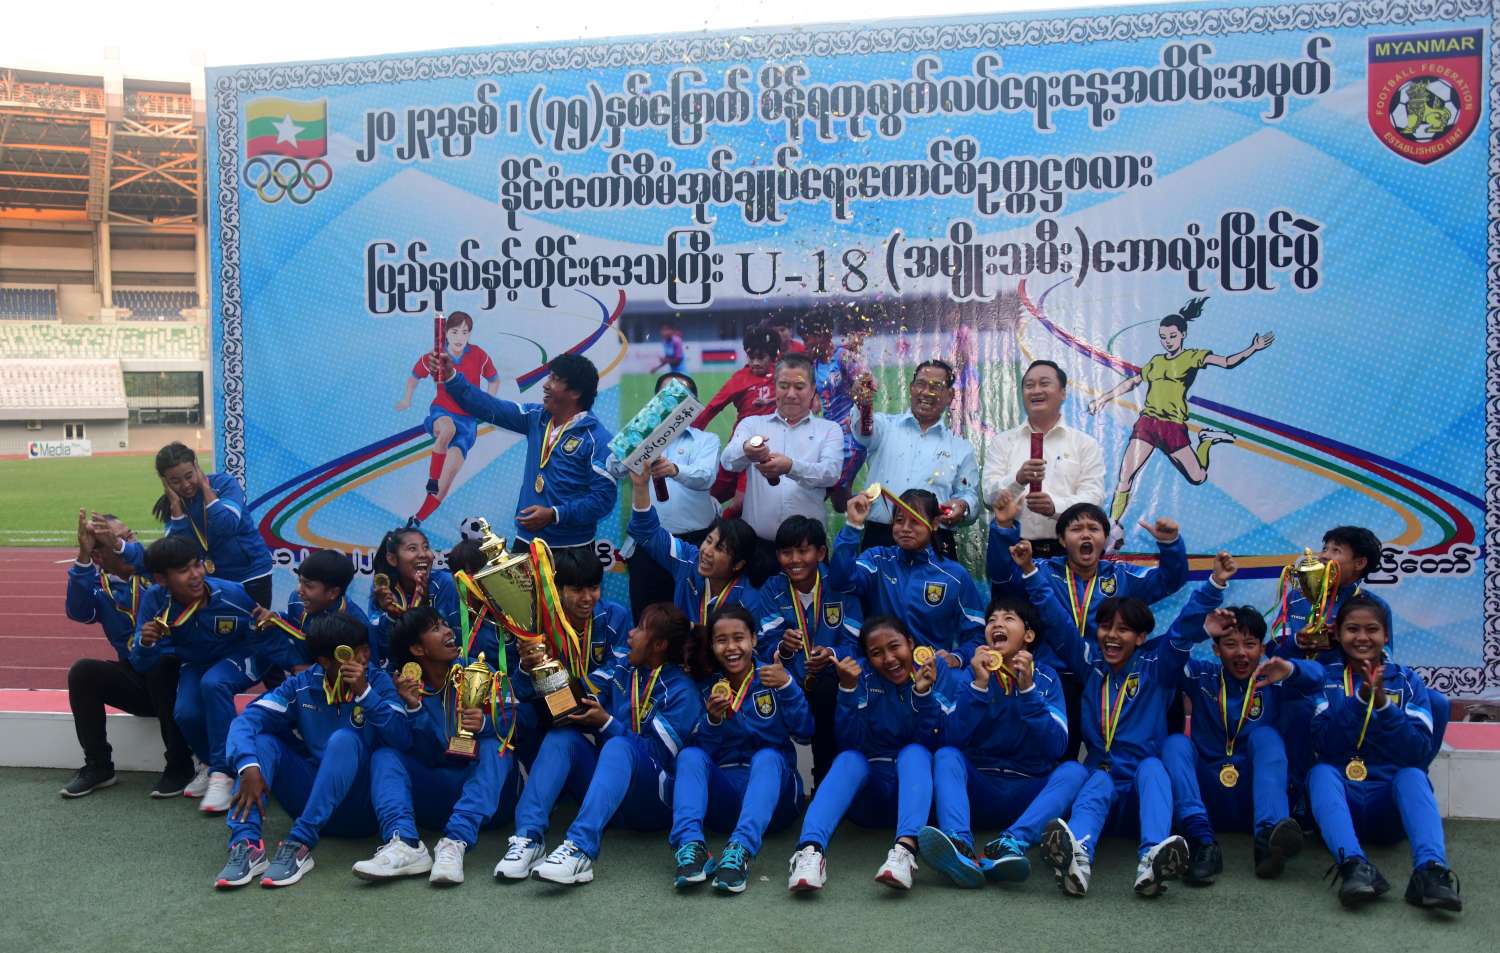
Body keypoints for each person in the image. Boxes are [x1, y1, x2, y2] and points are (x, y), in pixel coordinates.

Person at [1022, 546, 1233, 898]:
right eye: (1105, 627)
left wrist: (1214, 585)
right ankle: (1078, 857)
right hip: (1100, 791)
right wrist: (1030, 572)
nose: (1112, 636)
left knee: (1153, 766)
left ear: (1141, 638)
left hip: (1141, 797)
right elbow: (1057, 621)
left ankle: (1152, 858)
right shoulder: (1091, 665)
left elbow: (1181, 632)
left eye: (1123, 630)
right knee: (1095, 778)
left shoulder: (1157, 668)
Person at [493, 603, 701, 885]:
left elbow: (658, 756)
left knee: (618, 746)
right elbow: (573, 695)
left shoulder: (682, 692)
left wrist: (607, 723)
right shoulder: (624, 667)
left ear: (659, 645)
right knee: (562, 737)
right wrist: (535, 668)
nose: (630, 634)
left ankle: (580, 848)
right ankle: (529, 838)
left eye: (640, 629)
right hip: (610, 795)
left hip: (652, 804)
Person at [213, 613, 409, 889]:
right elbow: (246, 721)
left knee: (344, 740)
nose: (364, 658)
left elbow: (402, 739)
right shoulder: (301, 685)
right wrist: (247, 766)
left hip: (360, 808)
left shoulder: (378, 682)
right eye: (351, 653)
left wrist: (365, 693)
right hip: (310, 799)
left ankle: (299, 844)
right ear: (325, 661)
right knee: (262, 743)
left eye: (366, 649)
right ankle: (246, 844)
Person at [987, 495, 1188, 759]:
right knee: (1061, 756)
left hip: (1106, 675)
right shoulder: (1041, 571)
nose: (1086, 535)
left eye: (1094, 529)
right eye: (1076, 529)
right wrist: (1003, 527)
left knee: (1161, 681)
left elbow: (1169, 580)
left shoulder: (1120, 576)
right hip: (1058, 676)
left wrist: (1170, 545)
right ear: (1062, 540)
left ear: (1105, 539)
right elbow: (1002, 578)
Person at [916, 597, 1090, 888]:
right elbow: (953, 737)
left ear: (1029, 635)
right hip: (980, 790)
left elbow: (1057, 746)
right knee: (946, 755)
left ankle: (1011, 843)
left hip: (1029, 796)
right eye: (991, 620)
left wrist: (1028, 690)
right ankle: (960, 845)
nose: (997, 624)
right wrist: (979, 686)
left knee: (1074, 771)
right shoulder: (973, 674)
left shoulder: (1046, 678)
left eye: (1008, 618)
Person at [1310, 595, 1461, 912]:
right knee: (1321, 773)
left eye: (1372, 629)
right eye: (1352, 629)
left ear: (1386, 635)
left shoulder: (1407, 682)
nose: (1362, 637)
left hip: (1389, 807)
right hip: (1344, 803)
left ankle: (1430, 872)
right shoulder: (1325, 678)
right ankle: (1354, 866)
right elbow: (1325, 746)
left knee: (1413, 775)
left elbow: (1416, 752)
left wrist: (1383, 706)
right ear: (1337, 633)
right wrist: (1358, 701)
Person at [1086, 298, 1274, 551]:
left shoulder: (1192, 357)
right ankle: (1113, 525)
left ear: (1183, 334)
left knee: (1198, 477)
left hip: (1173, 427)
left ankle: (1206, 441)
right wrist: (1103, 399)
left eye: (1172, 336)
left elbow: (1227, 362)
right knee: (1125, 476)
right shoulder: (1156, 361)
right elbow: (1132, 383)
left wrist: (1252, 348)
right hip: (1148, 423)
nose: (1168, 341)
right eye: (1163, 337)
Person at [129, 536, 296, 815]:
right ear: (161, 579)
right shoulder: (155, 602)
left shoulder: (231, 594)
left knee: (214, 683)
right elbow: (141, 663)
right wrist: (146, 643)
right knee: (185, 713)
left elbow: (264, 631)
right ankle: (209, 763)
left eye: (197, 565)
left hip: (246, 654)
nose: (196, 575)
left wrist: (294, 667)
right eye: (183, 571)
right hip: (198, 662)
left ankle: (224, 773)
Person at [355, 607, 518, 886]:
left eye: (445, 624)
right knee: (386, 755)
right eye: (436, 629)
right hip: (436, 796)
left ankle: (455, 842)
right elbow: (425, 753)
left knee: (497, 747)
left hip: (488, 802)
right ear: (417, 649)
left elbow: (518, 721)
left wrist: (485, 724)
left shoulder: (479, 670)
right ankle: (404, 843)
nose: (448, 631)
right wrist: (414, 708)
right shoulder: (404, 686)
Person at [786, 616, 949, 892]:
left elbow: (934, 742)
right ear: (867, 658)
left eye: (895, 646)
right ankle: (810, 851)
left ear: (910, 643)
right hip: (868, 801)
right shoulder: (860, 676)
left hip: (914, 799)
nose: (889, 659)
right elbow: (851, 741)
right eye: (876, 653)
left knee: (915, 753)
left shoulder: (933, 668)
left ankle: (905, 852)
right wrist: (847, 690)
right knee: (849, 759)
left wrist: (924, 697)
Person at [1161, 605, 1320, 885]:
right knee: (1175, 744)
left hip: (1253, 798)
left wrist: (1292, 670)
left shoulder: (1272, 679)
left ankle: (1268, 839)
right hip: (1207, 796)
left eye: (1250, 644)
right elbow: (1166, 657)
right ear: (1215, 649)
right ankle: (1201, 843)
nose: (1241, 653)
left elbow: (1319, 677)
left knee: (1266, 737)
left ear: (1262, 649)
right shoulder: (1200, 675)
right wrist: (1198, 629)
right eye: (1231, 644)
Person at [670, 605, 810, 894]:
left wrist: (788, 687)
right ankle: (691, 847)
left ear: (754, 639)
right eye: (721, 640)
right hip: (725, 801)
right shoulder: (706, 687)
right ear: (712, 645)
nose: (731, 647)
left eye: (739, 638)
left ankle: (740, 851)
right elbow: (702, 753)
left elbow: (806, 732)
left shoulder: (774, 676)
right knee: (690, 755)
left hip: (776, 801)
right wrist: (713, 721)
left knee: (768, 756)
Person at [61, 509, 196, 799]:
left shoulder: (157, 575)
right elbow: (77, 611)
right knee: (83, 672)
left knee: (162, 664)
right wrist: (83, 555)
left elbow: (148, 561)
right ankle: (99, 767)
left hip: (181, 679)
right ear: (99, 557)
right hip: (139, 679)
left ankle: (180, 766)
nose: (127, 544)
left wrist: (120, 544)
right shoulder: (100, 588)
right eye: (116, 541)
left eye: (129, 536)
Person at [428, 351, 616, 555]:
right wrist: (451, 377)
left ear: (575, 392)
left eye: (555, 379)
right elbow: (489, 407)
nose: (545, 385)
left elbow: (603, 500)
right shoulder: (535, 417)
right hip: (526, 542)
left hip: (571, 550)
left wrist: (555, 514)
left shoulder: (597, 439)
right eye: (549, 377)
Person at [753, 515, 861, 786]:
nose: (794, 560)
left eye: (803, 551)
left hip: (829, 680)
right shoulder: (772, 589)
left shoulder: (839, 587)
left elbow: (854, 642)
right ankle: (783, 781)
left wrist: (831, 654)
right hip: (789, 678)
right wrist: (784, 647)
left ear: (821, 553)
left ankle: (825, 780)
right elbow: (765, 645)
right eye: (786, 552)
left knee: (827, 691)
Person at [721, 351, 843, 577]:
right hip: (758, 548)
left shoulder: (829, 429)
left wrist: (790, 467)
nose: (791, 394)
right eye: (784, 386)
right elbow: (728, 461)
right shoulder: (752, 424)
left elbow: (831, 473)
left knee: (811, 600)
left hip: (807, 549)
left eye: (799, 386)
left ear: (813, 389)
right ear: (774, 387)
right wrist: (747, 450)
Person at [829, 488, 985, 660]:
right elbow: (841, 581)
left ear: (934, 524)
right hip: (883, 670)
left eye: (915, 521)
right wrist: (853, 526)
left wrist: (956, 658)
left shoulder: (954, 575)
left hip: (932, 672)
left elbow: (977, 637)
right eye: (899, 520)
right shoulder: (877, 560)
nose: (905, 528)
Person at [850, 359, 980, 560]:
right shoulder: (884, 427)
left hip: (935, 541)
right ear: (911, 388)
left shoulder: (960, 447)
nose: (926, 392)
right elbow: (862, 432)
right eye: (921, 384)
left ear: (950, 396)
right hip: (881, 538)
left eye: (936, 387)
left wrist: (962, 507)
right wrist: (863, 404)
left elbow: (969, 495)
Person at [617, 373, 722, 619]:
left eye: (682, 397)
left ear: (694, 405)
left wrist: (675, 469)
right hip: (648, 543)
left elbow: (706, 476)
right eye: (666, 396)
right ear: (655, 402)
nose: (674, 403)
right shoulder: (639, 435)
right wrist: (636, 438)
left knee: (695, 617)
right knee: (648, 618)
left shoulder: (706, 440)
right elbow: (613, 467)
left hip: (695, 544)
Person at [982, 360, 1104, 559]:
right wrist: (1018, 480)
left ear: (1063, 393)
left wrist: (1055, 507)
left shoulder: (1085, 444)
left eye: (1044, 383)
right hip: (1014, 547)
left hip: (1067, 551)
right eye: (1029, 385)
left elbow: (1093, 498)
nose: (1036, 390)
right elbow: (989, 496)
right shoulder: (1002, 442)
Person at [395, 311, 500, 525]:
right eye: (454, 332)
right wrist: (406, 399)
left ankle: (418, 518)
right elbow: (414, 377)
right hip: (442, 413)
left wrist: (488, 404)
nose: (460, 337)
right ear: (445, 333)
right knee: (448, 429)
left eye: (465, 332)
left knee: (448, 477)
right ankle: (432, 478)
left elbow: (494, 379)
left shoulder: (479, 355)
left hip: (468, 423)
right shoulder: (436, 356)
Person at [625, 468, 758, 624]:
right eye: (708, 541)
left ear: (738, 564)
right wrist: (640, 486)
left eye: (720, 549)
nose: (707, 551)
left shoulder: (748, 601)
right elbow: (647, 532)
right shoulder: (689, 560)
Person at [152, 442, 274, 608]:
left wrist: (206, 488)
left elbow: (227, 526)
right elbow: (181, 552)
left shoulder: (225, 484)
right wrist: (176, 510)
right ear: (165, 482)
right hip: (214, 581)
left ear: (196, 467)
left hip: (251, 573)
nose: (185, 485)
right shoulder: (172, 505)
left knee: (255, 623)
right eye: (175, 481)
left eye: (189, 476)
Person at [694, 326, 781, 508]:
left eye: (761, 357)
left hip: (768, 450)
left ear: (773, 356)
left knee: (741, 503)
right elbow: (712, 408)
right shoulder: (739, 379)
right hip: (740, 446)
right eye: (751, 357)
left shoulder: (782, 375)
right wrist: (690, 435)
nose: (755, 362)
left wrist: (773, 400)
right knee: (706, 498)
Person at [250, 549, 366, 666]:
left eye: (308, 586)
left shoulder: (357, 626)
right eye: (300, 581)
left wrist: (315, 672)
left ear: (333, 593)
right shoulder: (297, 600)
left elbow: (367, 671)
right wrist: (275, 619)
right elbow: (293, 625)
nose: (298, 590)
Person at [367, 526, 459, 666]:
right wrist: (391, 617)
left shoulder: (445, 584)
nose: (423, 554)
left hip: (447, 667)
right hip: (403, 670)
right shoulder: (384, 589)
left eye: (426, 547)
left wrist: (424, 607)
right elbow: (382, 650)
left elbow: (456, 638)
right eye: (412, 548)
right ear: (392, 559)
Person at [801, 312, 867, 508]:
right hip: (832, 438)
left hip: (849, 439)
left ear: (822, 335)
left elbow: (868, 386)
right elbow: (816, 400)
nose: (805, 345)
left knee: (817, 492)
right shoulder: (814, 365)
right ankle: (874, 508)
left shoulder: (843, 358)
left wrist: (858, 400)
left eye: (807, 339)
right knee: (840, 502)